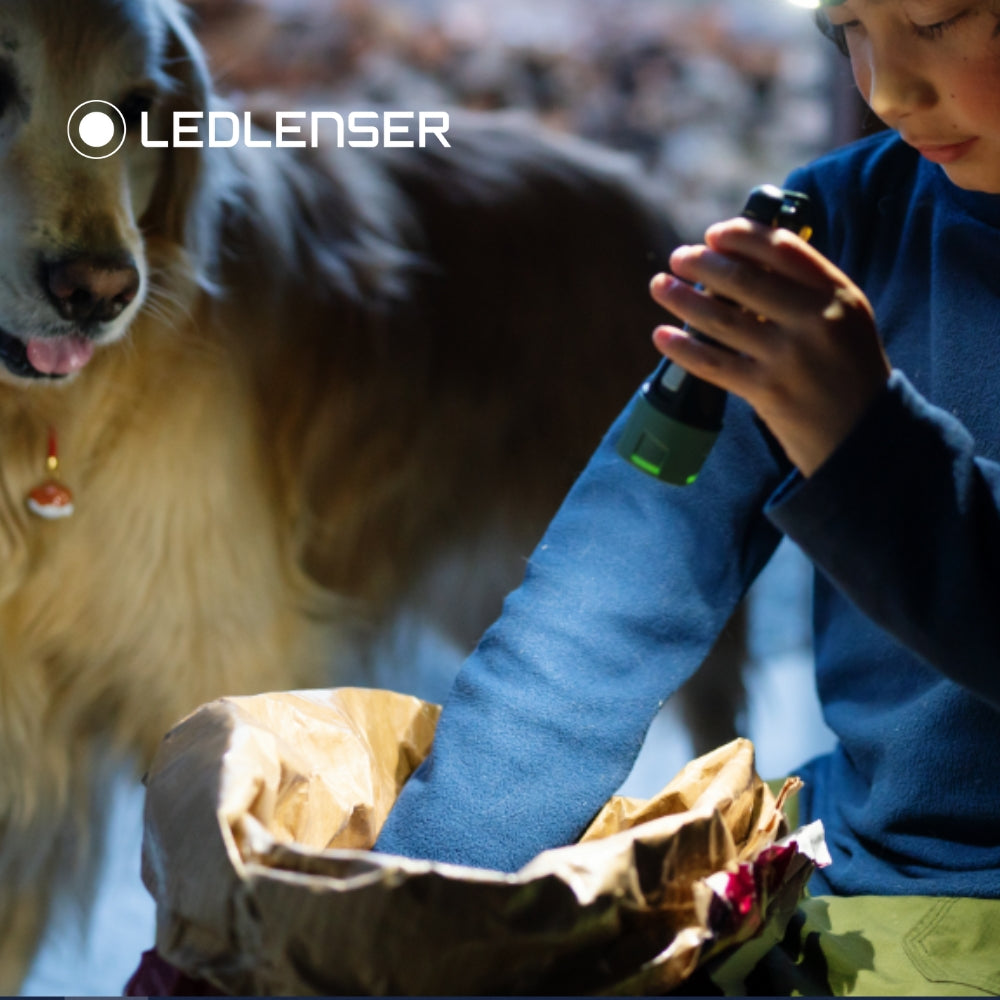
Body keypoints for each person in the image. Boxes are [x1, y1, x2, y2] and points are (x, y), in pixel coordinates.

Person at [376, 0, 1000, 992]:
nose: (884, 88)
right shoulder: (832, 232)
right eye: (844, 27)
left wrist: (867, 444)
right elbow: (608, 597)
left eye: (938, 16)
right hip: (850, 871)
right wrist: (404, 906)